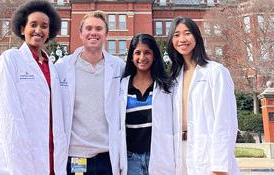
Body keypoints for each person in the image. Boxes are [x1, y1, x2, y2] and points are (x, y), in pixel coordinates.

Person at [0, 0, 67, 175]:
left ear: (50, 31)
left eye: (44, 26)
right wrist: (20, 164)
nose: (39, 31)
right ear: (21, 28)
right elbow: (8, 117)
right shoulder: (10, 60)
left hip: (52, 157)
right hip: (19, 158)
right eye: (33, 24)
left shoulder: (52, 68)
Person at [167, 16, 240, 175]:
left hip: (207, 153)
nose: (182, 39)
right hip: (180, 152)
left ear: (196, 37)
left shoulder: (216, 72)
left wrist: (219, 167)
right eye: (176, 35)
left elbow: (225, 121)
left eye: (187, 33)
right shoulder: (174, 78)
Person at [55, 11, 125, 175]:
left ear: (106, 34)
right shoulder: (62, 67)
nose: (93, 32)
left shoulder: (118, 67)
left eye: (99, 29)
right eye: (89, 28)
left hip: (107, 156)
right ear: (81, 33)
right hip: (76, 156)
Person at [119, 34, 175, 175]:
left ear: (155, 56)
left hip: (158, 157)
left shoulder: (167, 86)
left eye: (147, 53)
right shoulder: (121, 86)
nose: (142, 58)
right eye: (137, 53)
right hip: (130, 159)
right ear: (131, 57)